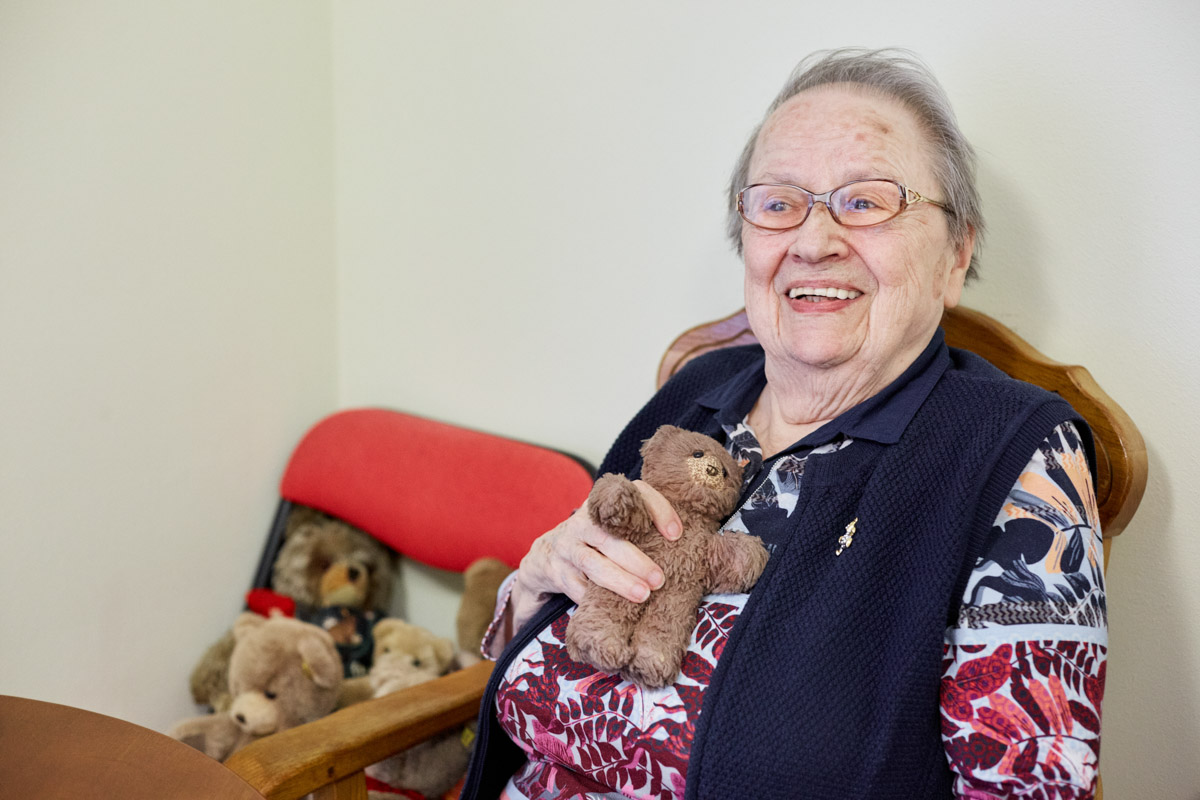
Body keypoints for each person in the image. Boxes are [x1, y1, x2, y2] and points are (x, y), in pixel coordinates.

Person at [459, 48, 1106, 800]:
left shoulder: (1007, 451)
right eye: (778, 203)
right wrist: (531, 594)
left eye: (866, 201)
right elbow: (535, 656)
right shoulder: (700, 393)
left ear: (956, 255)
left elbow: (1029, 783)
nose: (812, 240)